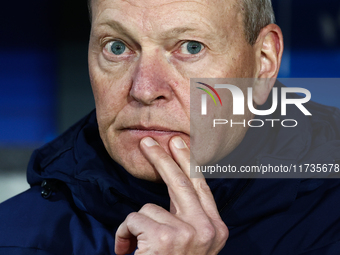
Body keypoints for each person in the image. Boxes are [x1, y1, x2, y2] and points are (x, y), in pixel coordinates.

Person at [0, 0, 340, 254]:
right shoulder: (14, 238)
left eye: (191, 48)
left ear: (263, 62)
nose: (145, 90)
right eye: (117, 47)